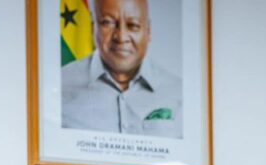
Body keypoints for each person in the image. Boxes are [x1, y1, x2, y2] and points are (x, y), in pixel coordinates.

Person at [61, 0, 183, 138]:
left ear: (148, 31)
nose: (121, 37)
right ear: (93, 27)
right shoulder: (61, 85)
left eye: (133, 25)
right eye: (108, 23)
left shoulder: (179, 92)